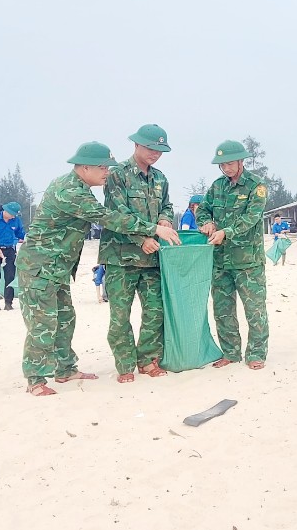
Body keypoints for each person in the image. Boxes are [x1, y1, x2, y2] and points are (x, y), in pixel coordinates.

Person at [17, 141, 180, 396]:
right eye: (102, 167)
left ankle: (65, 370)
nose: (107, 172)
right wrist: (154, 229)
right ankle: (35, 380)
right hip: (39, 267)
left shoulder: (80, 188)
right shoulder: (70, 192)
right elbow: (108, 217)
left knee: (64, 320)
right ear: (84, 168)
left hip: (56, 268)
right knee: (43, 324)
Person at [102, 124, 180, 383]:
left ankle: (147, 359)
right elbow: (117, 215)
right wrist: (142, 238)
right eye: (150, 148)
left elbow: (167, 206)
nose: (155, 154)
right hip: (121, 257)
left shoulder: (160, 178)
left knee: (155, 311)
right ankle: (125, 365)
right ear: (136, 145)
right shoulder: (117, 175)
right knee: (120, 314)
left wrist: (166, 221)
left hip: (153, 258)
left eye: (160, 150)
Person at [197, 139, 270, 370]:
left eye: (230, 163)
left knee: (254, 309)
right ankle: (230, 352)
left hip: (248, 261)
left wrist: (225, 232)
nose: (226, 168)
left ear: (241, 161)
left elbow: (251, 218)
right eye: (222, 165)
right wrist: (207, 222)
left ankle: (256, 353)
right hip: (220, 260)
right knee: (222, 309)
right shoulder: (217, 186)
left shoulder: (256, 186)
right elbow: (202, 209)